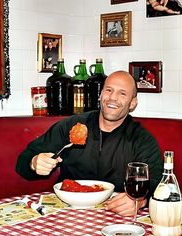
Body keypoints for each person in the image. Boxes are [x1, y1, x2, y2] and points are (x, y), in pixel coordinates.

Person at [16, 71, 163, 216]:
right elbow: (24, 161)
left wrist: (140, 201)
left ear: (132, 103)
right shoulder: (71, 126)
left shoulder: (141, 139)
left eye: (122, 93)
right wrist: (34, 163)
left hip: (116, 215)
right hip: (68, 213)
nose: (112, 98)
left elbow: (158, 182)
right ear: (101, 94)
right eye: (108, 90)